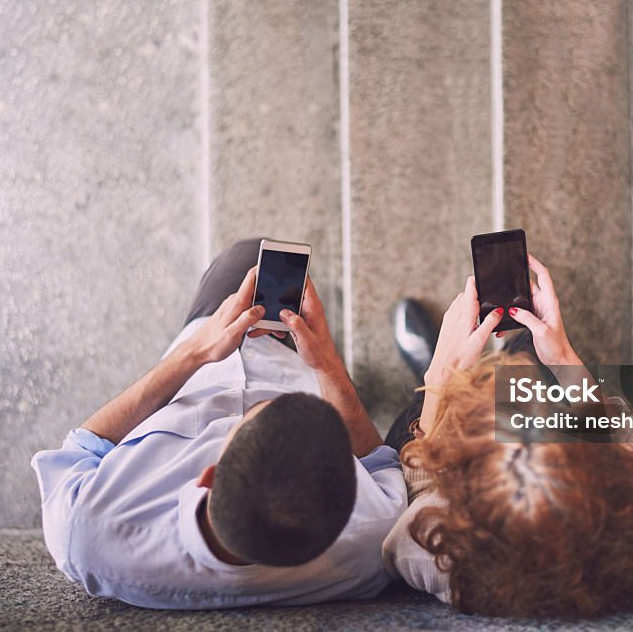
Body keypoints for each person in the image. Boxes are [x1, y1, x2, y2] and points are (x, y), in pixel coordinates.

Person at [31, 238, 407, 609]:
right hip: (293, 363)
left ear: (208, 476)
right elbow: (376, 458)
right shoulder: (376, 539)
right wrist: (326, 364)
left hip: (203, 360)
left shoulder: (84, 530)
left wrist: (196, 350)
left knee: (247, 256)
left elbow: (85, 445)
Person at [382, 254, 633, 618]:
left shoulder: (425, 546)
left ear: (460, 500)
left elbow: (422, 489)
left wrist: (438, 384)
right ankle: (511, 362)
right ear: (613, 475)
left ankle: (445, 371)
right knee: (532, 358)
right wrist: (562, 358)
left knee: (428, 420)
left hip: (443, 442)